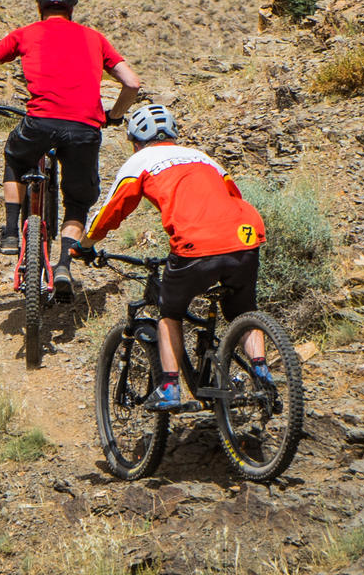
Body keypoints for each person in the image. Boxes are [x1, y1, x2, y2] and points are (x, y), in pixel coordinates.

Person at [75, 103, 270, 413]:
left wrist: (84, 244)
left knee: (170, 311)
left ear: (136, 140)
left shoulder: (140, 160)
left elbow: (112, 211)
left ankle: (169, 386)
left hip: (195, 243)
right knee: (242, 309)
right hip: (244, 235)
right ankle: (262, 373)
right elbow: (234, 195)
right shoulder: (203, 157)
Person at [0, 0, 143, 298]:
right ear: (72, 7)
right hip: (84, 129)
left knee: (16, 157)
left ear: (39, 6)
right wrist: (113, 116)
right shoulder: (95, 38)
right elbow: (131, 83)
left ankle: (10, 233)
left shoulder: (23, 34)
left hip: (39, 124)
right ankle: (63, 266)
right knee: (77, 202)